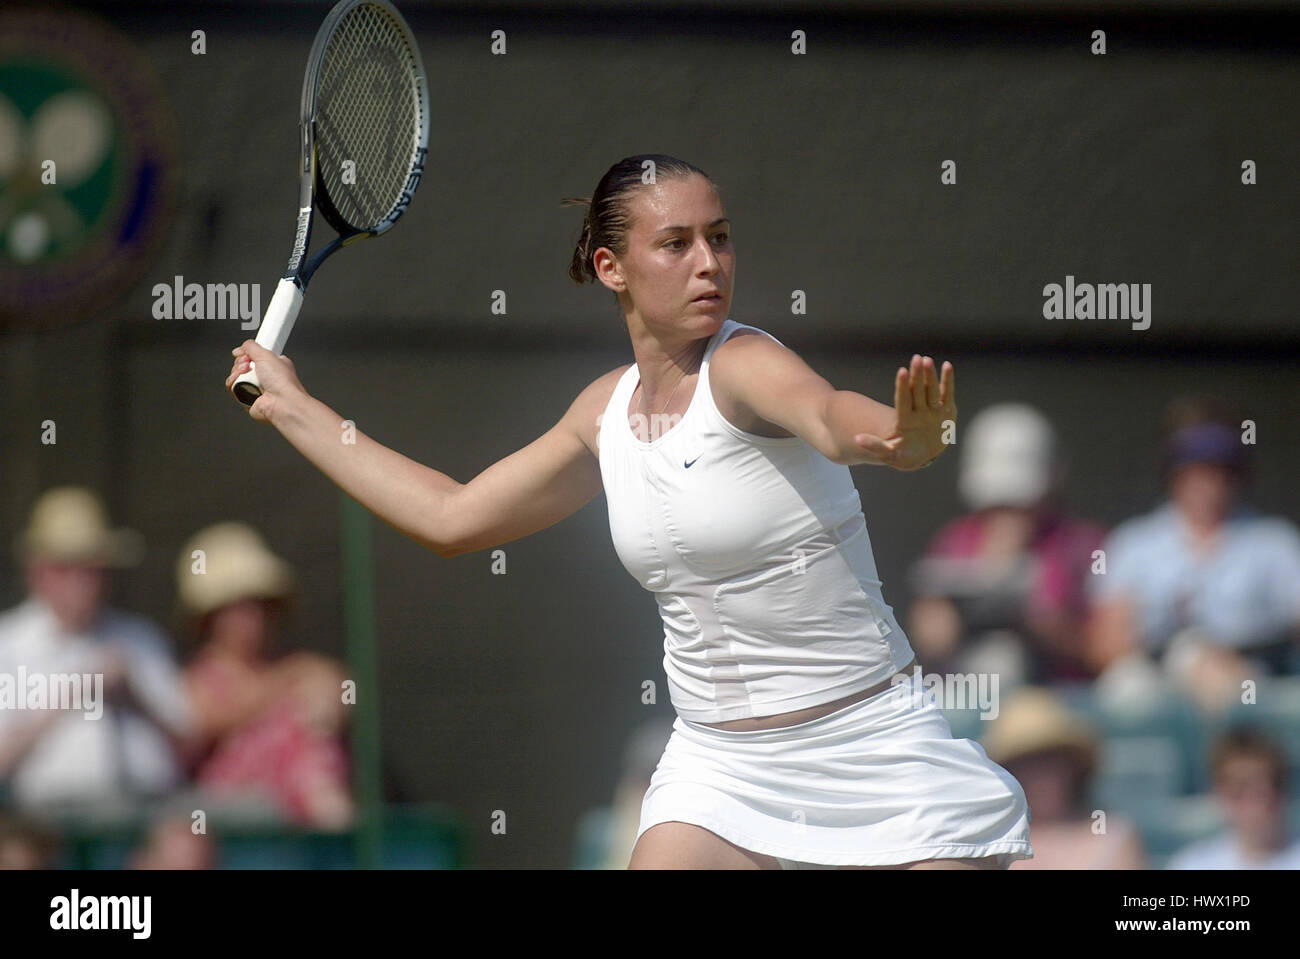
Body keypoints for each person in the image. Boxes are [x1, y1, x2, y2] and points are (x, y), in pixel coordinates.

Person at [227, 153, 1031, 869]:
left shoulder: (748, 364)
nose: (709, 262)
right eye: (676, 243)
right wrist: (296, 406)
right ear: (613, 267)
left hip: (874, 748)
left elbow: (830, 417)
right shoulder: (600, 415)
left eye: (719, 237)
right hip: (719, 769)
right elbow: (452, 515)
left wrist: (900, 437)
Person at [0, 487, 197, 813]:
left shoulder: (142, 638)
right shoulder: (8, 643)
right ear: (36, 572)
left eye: (93, 568)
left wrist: (134, 698)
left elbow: (190, 751)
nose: (83, 583)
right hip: (41, 832)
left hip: (140, 826)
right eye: (67, 568)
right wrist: (73, 694)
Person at [1086, 396, 1300, 680]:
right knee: (1129, 682)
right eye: (1195, 470)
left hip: (1255, 679)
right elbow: (1105, 645)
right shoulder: (1133, 543)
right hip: (1157, 680)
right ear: (1172, 474)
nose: (1208, 484)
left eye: (1220, 470)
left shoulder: (1275, 541)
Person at [907, 403, 1106, 687]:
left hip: (1063, 701)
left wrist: (1029, 616)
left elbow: (1105, 651)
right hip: (971, 698)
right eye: (997, 502)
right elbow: (929, 634)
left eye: (1018, 501)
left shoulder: (1085, 545)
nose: (1007, 513)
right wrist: (939, 625)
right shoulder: (955, 540)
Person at [177, 522, 353, 830]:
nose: (252, 619)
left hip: (297, 827)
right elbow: (206, 720)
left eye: (259, 606)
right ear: (210, 618)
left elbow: (338, 691)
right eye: (237, 608)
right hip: (233, 830)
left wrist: (320, 698)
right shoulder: (196, 679)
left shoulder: (290, 667)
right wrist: (284, 684)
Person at [983, 687, 1145, 870]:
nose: (1039, 778)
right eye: (1026, 765)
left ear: (1072, 767)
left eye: (1049, 762)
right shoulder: (990, 845)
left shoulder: (1114, 834)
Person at [1165, 725, 1300, 869]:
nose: (1257, 802)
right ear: (1219, 792)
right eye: (1241, 788)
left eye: (1271, 784)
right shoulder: (1191, 864)